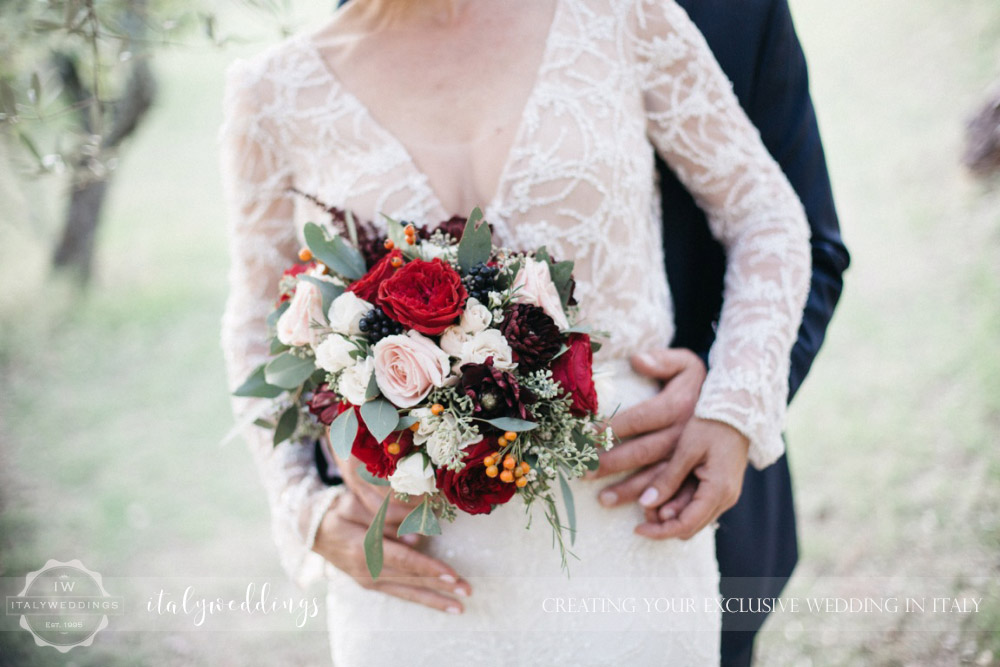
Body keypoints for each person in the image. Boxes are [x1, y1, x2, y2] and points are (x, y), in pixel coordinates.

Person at [220, 0, 812, 664]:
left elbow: (765, 213)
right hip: (413, 570)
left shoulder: (623, 15)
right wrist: (303, 505)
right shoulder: (275, 91)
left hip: (628, 526)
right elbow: (254, 319)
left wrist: (734, 407)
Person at [587, 1, 850, 664]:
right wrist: (327, 479)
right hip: (461, 551)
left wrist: (732, 406)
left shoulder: (739, 8)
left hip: (689, 513)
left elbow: (807, 239)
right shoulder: (403, 15)